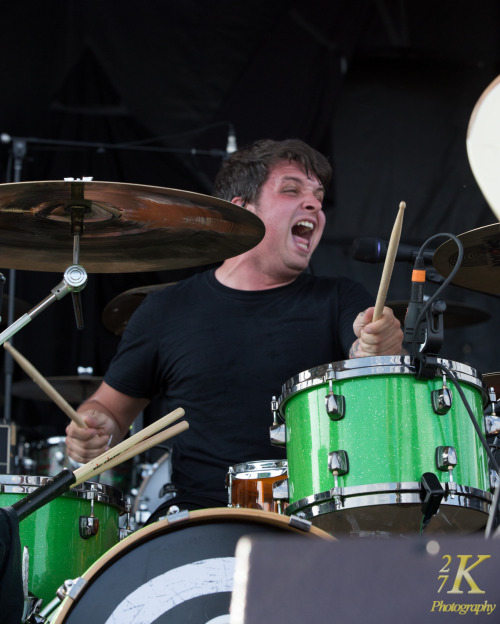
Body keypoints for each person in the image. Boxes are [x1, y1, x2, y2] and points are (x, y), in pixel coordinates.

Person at [65, 138, 404, 519]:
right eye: (291, 190)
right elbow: (110, 411)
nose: (314, 204)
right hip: (197, 521)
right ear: (241, 211)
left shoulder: (340, 298)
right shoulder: (165, 310)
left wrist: (380, 348)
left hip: (316, 523)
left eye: (318, 196)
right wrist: (95, 428)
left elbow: (373, 359)